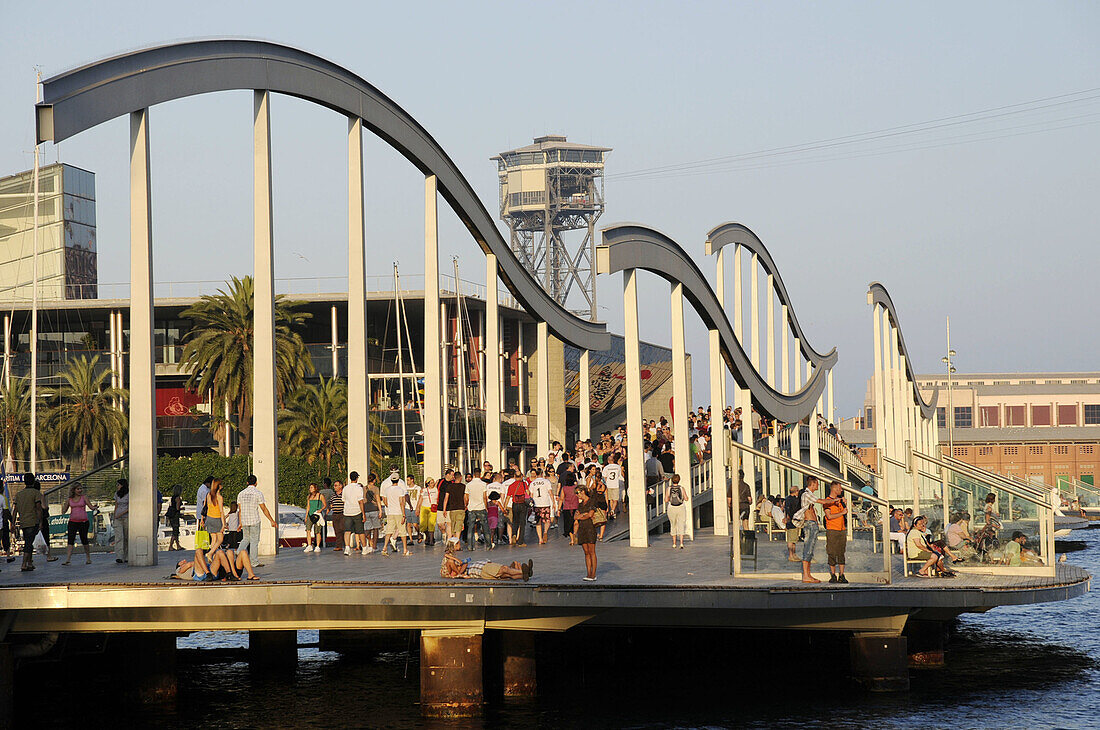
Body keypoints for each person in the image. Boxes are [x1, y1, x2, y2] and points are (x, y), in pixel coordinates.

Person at [440, 539, 531, 580]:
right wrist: (460, 573)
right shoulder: (451, 560)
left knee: (508, 573)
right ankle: (524, 571)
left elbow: (462, 564)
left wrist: (462, 564)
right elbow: (447, 557)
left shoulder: (463, 568)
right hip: (481, 568)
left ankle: (524, 574)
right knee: (505, 569)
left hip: (481, 568)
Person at [237, 474, 278, 566]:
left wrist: (240, 523)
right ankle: (254, 562)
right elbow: (264, 509)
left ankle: (239, 552)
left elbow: (240, 510)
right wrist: (271, 520)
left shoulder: (241, 493)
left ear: (247, 483)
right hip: (254, 519)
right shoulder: (258, 493)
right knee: (254, 541)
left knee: (245, 539)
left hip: (244, 520)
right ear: (256, 483)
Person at [13, 473, 43, 572]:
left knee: (28, 541)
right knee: (29, 543)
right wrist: (41, 521)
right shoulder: (35, 493)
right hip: (32, 521)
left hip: (23, 521)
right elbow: (39, 509)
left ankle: (30, 563)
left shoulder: (19, 494)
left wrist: (12, 523)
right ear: (33, 481)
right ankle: (24, 564)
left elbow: (15, 510)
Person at [61, 482, 95, 566]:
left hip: (83, 521)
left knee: (84, 539)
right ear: (74, 490)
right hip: (73, 521)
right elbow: (64, 510)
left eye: (81, 489)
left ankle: (88, 558)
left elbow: (91, 507)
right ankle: (68, 559)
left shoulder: (84, 498)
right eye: (78, 489)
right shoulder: (70, 499)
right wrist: (64, 506)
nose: (80, 490)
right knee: (70, 540)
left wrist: (95, 507)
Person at [381, 470, 412, 556]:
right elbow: (402, 503)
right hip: (398, 512)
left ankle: (384, 548)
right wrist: (403, 515)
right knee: (402, 531)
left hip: (390, 512)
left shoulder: (387, 490)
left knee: (389, 531)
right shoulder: (400, 490)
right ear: (398, 480)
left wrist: (389, 506)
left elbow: (385, 501)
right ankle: (405, 550)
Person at [823, 481, 848, 584]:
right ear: (835, 489)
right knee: (832, 552)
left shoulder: (840, 501)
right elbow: (829, 516)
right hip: (832, 529)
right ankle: (833, 575)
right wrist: (841, 513)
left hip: (841, 529)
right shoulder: (827, 501)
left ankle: (841, 574)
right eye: (840, 488)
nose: (841, 490)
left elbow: (845, 512)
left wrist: (844, 505)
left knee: (841, 552)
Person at [575, 484, 598, 581]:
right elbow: (576, 517)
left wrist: (582, 516)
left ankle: (593, 574)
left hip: (590, 527)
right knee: (586, 552)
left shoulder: (591, 501)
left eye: (577, 493)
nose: (577, 495)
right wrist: (582, 515)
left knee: (592, 551)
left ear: (583, 491)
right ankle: (588, 573)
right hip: (582, 528)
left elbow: (590, 515)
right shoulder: (580, 504)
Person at [464, 470, 490, 552]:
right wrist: (486, 507)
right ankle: (488, 545)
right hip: (481, 507)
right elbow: (485, 497)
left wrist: (467, 505)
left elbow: (466, 497)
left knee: (470, 527)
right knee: (485, 527)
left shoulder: (469, 485)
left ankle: (470, 546)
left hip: (471, 508)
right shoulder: (483, 484)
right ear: (480, 474)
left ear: (474, 475)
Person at [342, 471, 366, 556]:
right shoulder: (359, 488)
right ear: (357, 478)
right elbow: (360, 501)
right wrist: (363, 513)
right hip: (357, 511)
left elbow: (344, 500)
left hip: (347, 512)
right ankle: (364, 548)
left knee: (347, 531)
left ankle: (347, 548)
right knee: (360, 531)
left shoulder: (345, 488)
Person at [440, 468, 467, 544]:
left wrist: (444, 509)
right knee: (459, 526)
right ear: (461, 478)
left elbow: (446, 499)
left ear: (454, 477)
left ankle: (453, 541)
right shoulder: (463, 486)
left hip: (452, 509)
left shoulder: (450, 486)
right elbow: (465, 498)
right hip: (461, 508)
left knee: (453, 526)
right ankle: (457, 542)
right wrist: (465, 505)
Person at [529, 468, 554, 545]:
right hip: (545, 503)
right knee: (547, 520)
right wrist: (553, 502)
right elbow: (550, 492)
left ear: (535, 474)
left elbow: (531, 495)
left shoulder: (532, 483)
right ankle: (545, 532)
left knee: (538, 522)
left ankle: (540, 539)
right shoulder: (546, 482)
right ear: (542, 474)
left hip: (537, 504)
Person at [504, 470, 529, 546]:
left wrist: (504, 508)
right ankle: (520, 541)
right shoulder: (524, 484)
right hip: (522, 505)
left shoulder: (511, 486)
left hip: (515, 504)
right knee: (522, 523)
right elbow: (528, 493)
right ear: (521, 476)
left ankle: (514, 534)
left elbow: (508, 497)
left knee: (515, 521)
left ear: (515, 477)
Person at [557, 465, 579, 545]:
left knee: (568, 524)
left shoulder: (564, 488)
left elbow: (561, 499)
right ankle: (575, 534)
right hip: (576, 507)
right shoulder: (576, 488)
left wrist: (559, 509)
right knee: (576, 522)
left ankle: (572, 539)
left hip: (567, 507)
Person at [665, 474, 688, 548]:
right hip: (681, 507)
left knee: (673, 524)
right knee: (681, 524)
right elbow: (686, 498)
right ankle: (681, 543)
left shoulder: (669, 488)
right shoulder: (681, 488)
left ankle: (674, 543)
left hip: (671, 507)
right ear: (679, 480)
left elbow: (666, 500)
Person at [204, 478, 226, 553]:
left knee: (213, 539)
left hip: (209, 518)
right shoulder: (219, 497)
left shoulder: (208, 495)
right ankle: (210, 553)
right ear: (219, 486)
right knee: (220, 539)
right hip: (217, 518)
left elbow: (207, 506)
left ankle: (212, 557)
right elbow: (221, 511)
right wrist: (224, 524)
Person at [304, 482, 327, 553]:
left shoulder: (320, 496)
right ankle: (309, 545)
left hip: (317, 514)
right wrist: (306, 516)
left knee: (317, 531)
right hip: (310, 515)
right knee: (308, 530)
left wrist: (321, 509)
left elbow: (325, 505)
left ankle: (317, 546)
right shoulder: (309, 496)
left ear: (315, 488)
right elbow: (308, 506)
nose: (310, 489)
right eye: (310, 487)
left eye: (311, 487)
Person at [416, 478, 439, 547]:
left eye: (433, 482)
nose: (433, 484)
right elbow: (420, 499)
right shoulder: (424, 490)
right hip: (424, 507)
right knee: (423, 524)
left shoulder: (436, 489)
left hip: (433, 508)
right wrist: (417, 508)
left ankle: (431, 540)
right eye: (431, 483)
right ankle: (427, 537)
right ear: (428, 484)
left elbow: (439, 481)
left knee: (432, 524)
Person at [363, 473, 382, 553]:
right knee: (376, 528)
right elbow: (378, 500)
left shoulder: (363, 488)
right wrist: (380, 510)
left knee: (367, 529)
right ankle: (374, 546)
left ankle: (369, 542)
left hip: (366, 509)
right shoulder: (376, 488)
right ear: (374, 480)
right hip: (374, 509)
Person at [783, 483, 802, 562]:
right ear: (796, 491)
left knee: (793, 539)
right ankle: (791, 555)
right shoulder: (794, 500)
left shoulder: (787, 499)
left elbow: (786, 511)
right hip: (793, 521)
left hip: (789, 521)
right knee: (791, 540)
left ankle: (793, 554)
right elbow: (793, 511)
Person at [113, 479, 130, 564]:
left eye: (118, 485)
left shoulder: (129, 494)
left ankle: (127, 556)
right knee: (119, 537)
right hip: (118, 518)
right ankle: (119, 556)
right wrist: (115, 515)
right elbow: (116, 504)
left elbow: (130, 507)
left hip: (126, 517)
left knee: (127, 537)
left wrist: (122, 513)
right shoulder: (116, 494)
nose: (117, 486)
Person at [329, 480, 345, 552]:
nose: (334, 487)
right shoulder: (333, 496)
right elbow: (331, 504)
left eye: (336, 485)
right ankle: (339, 546)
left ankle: (345, 544)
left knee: (342, 529)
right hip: (335, 514)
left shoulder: (344, 495)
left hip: (342, 514)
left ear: (340, 486)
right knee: (337, 530)